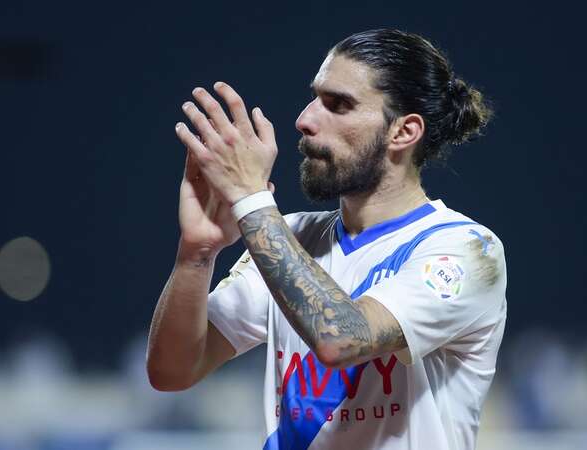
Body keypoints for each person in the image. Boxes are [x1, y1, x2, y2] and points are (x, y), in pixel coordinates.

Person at [147, 28, 507, 450]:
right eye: (315, 98)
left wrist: (251, 201)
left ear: (404, 132)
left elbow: (342, 340)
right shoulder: (292, 236)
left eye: (338, 105)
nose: (305, 119)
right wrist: (197, 254)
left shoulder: (463, 251)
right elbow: (172, 372)